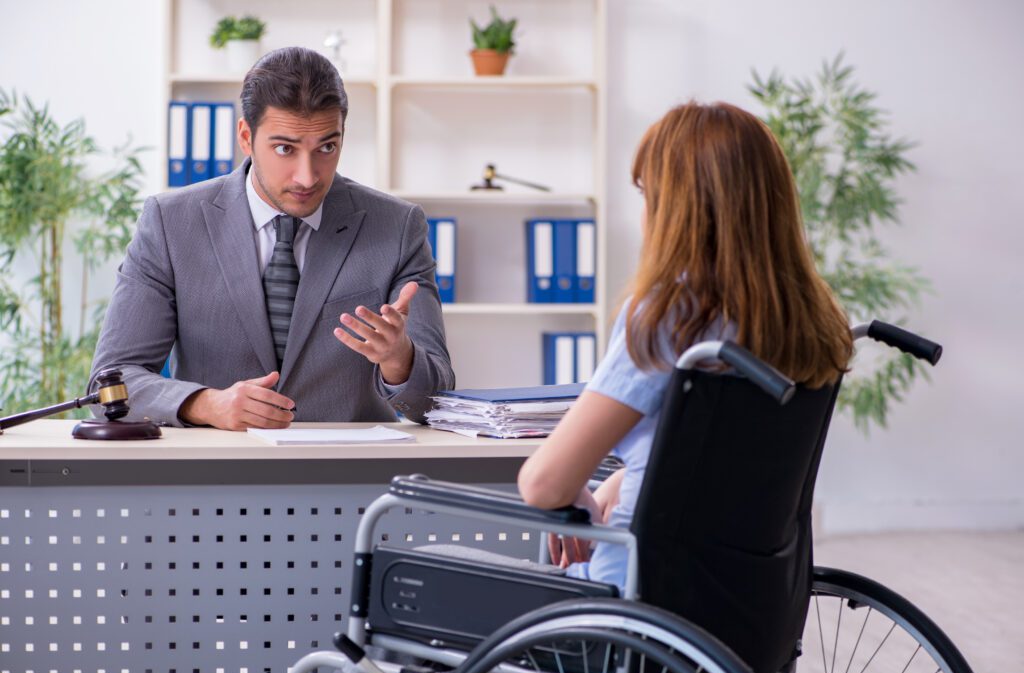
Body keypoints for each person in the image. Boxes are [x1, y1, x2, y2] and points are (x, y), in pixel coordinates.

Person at [517, 101, 852, 592]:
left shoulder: (671, 315)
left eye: (647, 194)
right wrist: (619, 481)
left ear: (677, 206)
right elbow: (714, 458)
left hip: (631, 600)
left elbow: (543, 484)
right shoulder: (809, 317)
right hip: (746, 601)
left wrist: (579, 501)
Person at [89, 47, 454, 430]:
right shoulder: (170, 223)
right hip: (216, 473)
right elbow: (109, 384)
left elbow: (437, 401)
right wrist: (207, 404)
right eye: (285, 149)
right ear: (246, 137)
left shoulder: (397, 227)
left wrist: (400, 360)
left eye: (326, 148)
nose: (307, 176)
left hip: (350, 476)